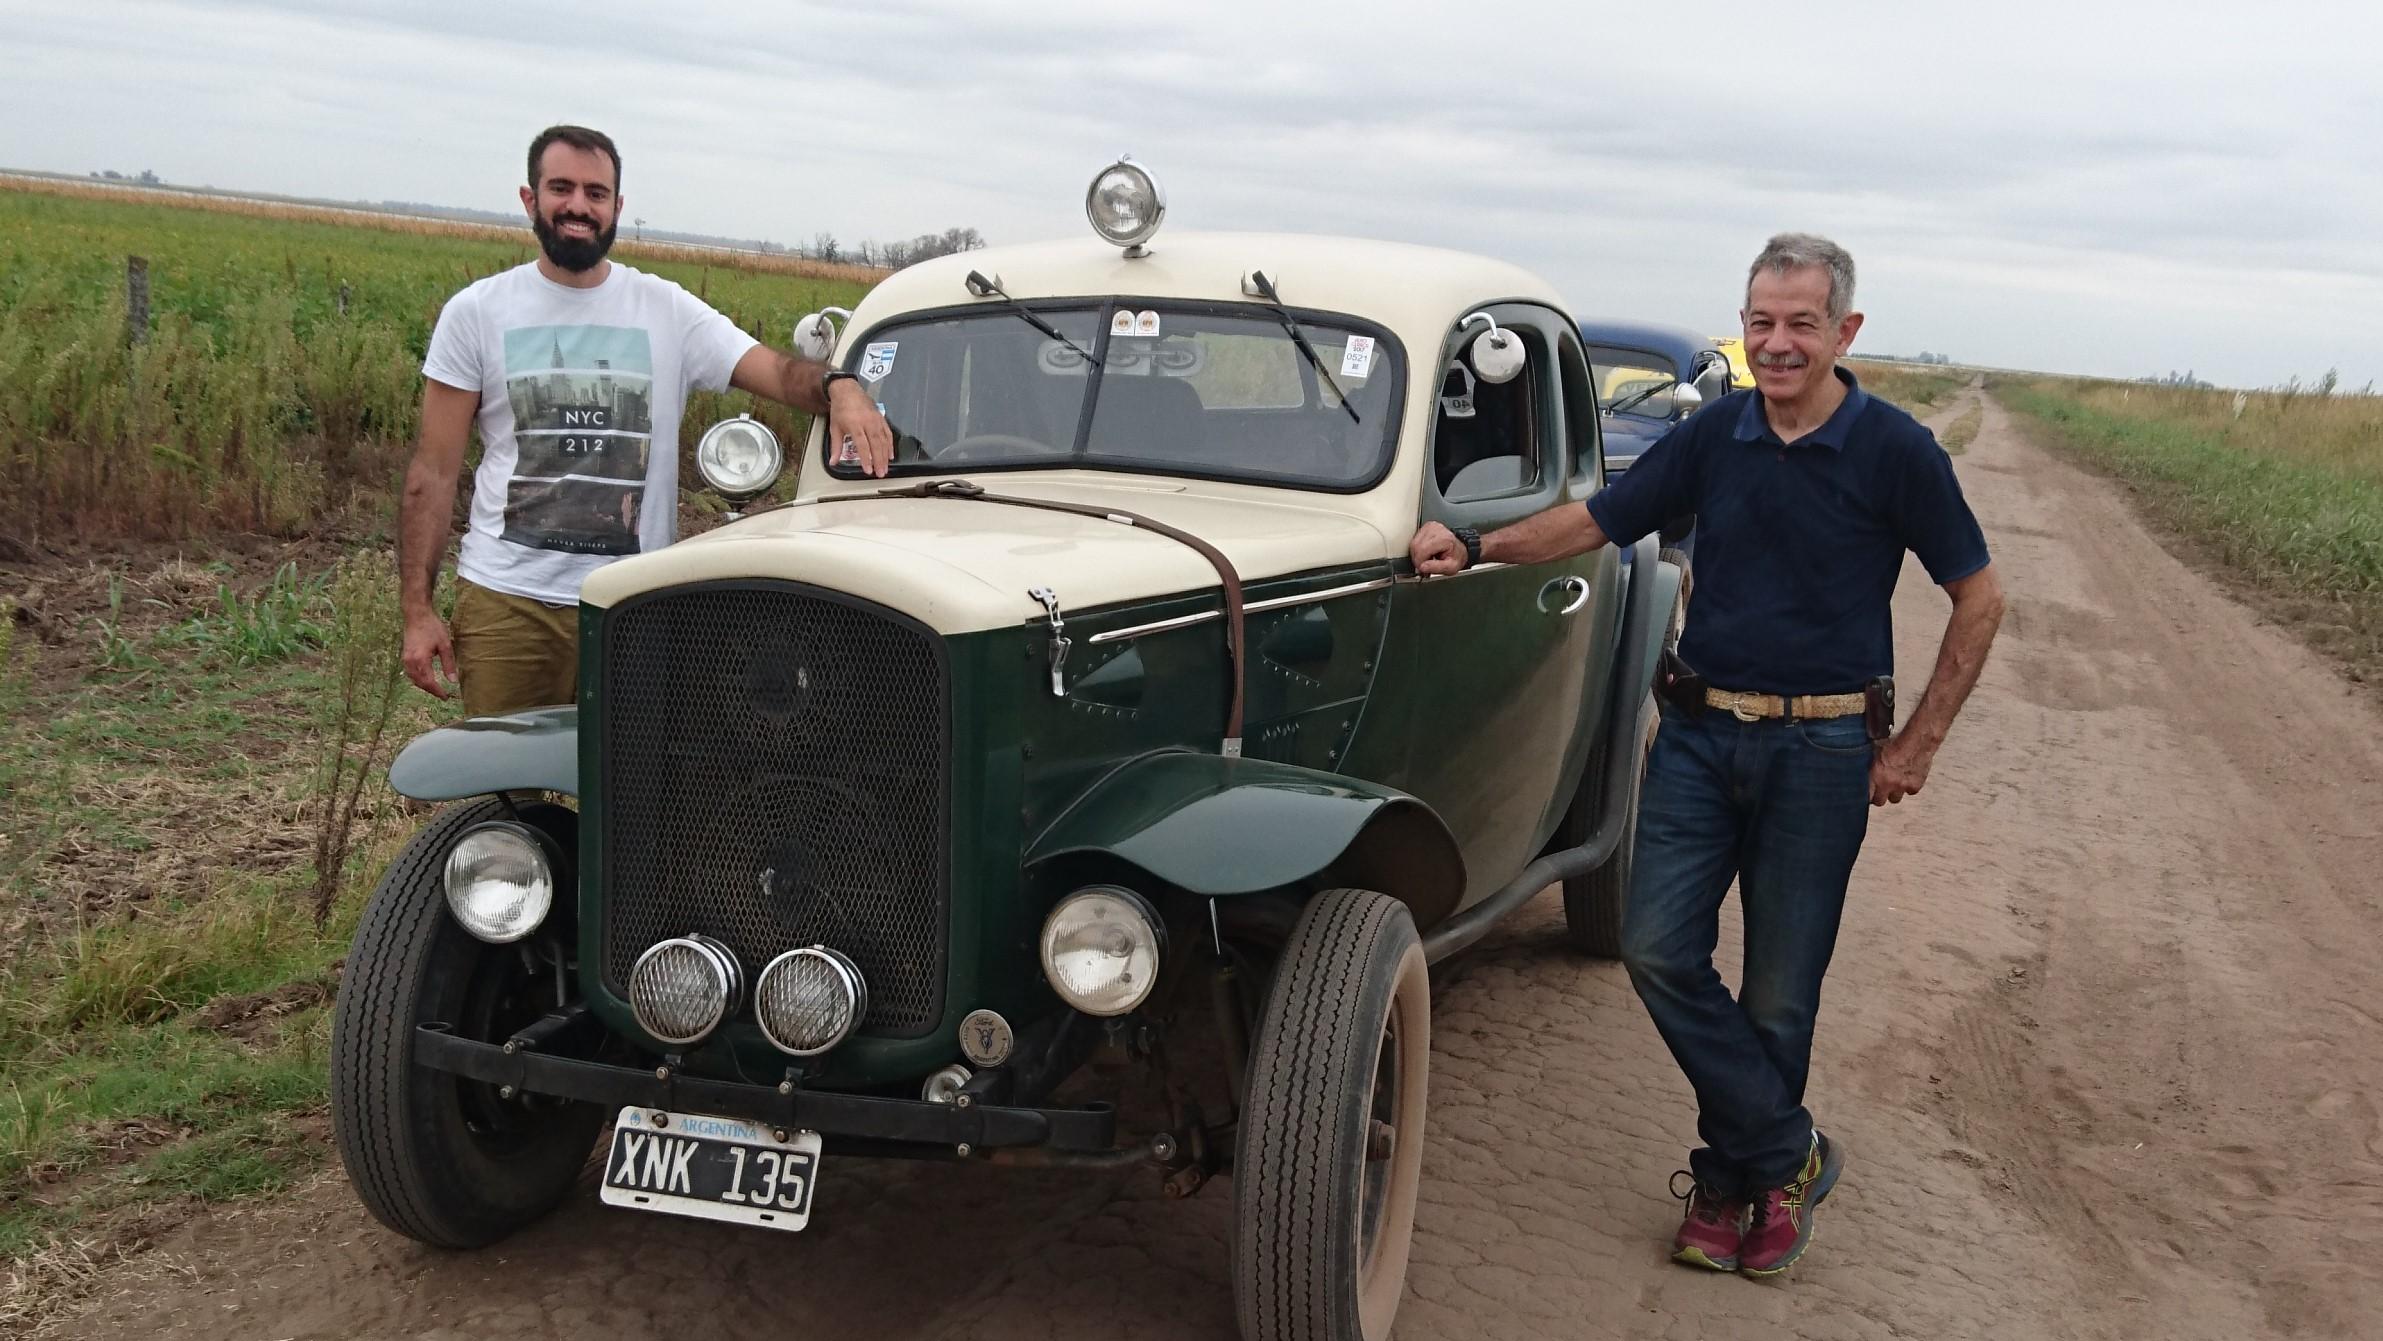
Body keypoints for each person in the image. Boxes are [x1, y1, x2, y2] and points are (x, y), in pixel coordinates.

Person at [1410, 233, 2005, 1278]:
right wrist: (1469, 544)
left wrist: (1915, 746)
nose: (1776, 345)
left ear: (1844, 332)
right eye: (1761, 322)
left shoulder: (1896, 451)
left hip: (1822, 750)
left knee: (1780, 988)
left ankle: (1738, 1190)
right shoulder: (1715, 435)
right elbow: (1594, 521)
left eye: (1800, 325)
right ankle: (1787, 1153)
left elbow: (1980, 597)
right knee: (1655, 949)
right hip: (1696, 734)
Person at [399, 124, 895, 714]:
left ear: (617, 208)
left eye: (596, 193)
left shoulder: (667, 310)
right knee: (508, 797)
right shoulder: (477, 313)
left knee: (631, 792)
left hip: (631, 604)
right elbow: (432, 471)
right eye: (561, 188)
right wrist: (418, 611)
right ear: (530, 199)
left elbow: (777, 373)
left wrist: (841, 388)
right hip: (509, 603)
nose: (578, 206)